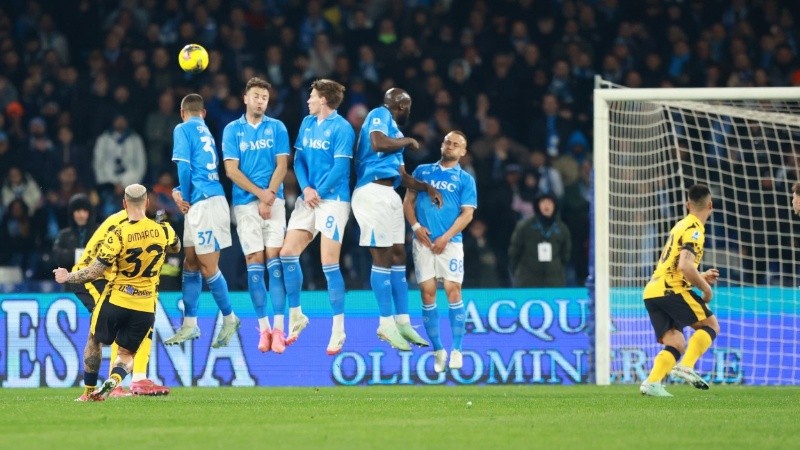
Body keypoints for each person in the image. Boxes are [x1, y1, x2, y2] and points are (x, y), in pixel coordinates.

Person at [53, 184, 181, 401]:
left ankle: (95, 390)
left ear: (124, 202)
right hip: (93, 283)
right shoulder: (159, 229)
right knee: (126, 346)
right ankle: (123, 380)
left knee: (96, 338)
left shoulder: (120, 230)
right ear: (147, 202)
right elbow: (176, 247)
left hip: (108, 281)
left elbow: (97, 267)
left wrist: (66, 277)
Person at [352, 87, 443, 351]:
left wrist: (427, 188)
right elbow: (377, 143)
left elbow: (403, 177)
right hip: (371, 191)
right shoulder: (379, 114)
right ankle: (385, 323)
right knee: (381, 255)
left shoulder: (398, 134)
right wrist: (408, 142)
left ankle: (402, 321)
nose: (409, 111)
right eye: (408, 106)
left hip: (390, 193)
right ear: (401, 105)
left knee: (398, 254)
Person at [279, 79, 354, 355]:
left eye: (312, 96)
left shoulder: (342, 127)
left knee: (328, 262)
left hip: (333, 200)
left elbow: (341, 167)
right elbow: (297, 160)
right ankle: (297, 315)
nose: (308, 100)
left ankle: (338, 329)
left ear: (323, 99)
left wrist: (318, 190)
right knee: (287, 253)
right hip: (309, 196)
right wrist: (306, 188)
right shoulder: (307, 123)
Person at [164, 94, 241, 348]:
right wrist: (181, 192)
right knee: (191, 262)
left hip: (205, 203)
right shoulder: (206, 132)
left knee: (208, 267)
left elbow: (184, 168)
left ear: (182, 111)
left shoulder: (182, 128)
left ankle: (230, 318)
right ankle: (189, 324)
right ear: (203, 113)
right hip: (205, 200)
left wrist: (182, 196)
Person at [222, 77, 289, 353]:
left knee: (275, 261)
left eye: (265, 97)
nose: (261, 100)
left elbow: (283, 165)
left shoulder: (277, 127)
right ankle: (263, 328)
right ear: (246, 98)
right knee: (254, 261)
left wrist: (269, 195)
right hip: (246, 204)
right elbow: (231, 171)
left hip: (275, 200)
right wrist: (261, 196)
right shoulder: (232, 130)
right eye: (256, 96)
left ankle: (279, 328)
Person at [403, 131, 477, 372]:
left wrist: (445, 237)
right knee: (427, 293)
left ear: (463, 152)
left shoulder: (465, 179)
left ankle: (457, 349)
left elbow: (468, 213)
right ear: (442, 144)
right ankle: (438, 349)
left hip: (451, 243)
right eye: (448, 142)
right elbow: (408, 202)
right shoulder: (422, 171)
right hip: (423, 242)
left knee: (453, 291)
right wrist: (415, 227)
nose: (451, 146)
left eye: (456, 144)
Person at [639, 184, 721, 397]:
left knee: (675, 342)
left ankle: (652, 382)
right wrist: (706, 289)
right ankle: (687, 366)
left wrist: (700, 276)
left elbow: (675, 266)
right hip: (670, 290)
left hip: (653, 290)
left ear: (687, 205)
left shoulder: (680, 225)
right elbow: (685, 266)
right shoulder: (695, 229)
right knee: (710, 325)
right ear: (710, 205)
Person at [508, 193, 572, 287]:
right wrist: (518, 273)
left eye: (549, 203)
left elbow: (565, 255)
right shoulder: (524, 227)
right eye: (543, 202)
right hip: (527, 281)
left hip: (554, 282)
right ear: (537, 205)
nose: (546, 205)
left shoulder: (562, 229)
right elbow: (514, 253)